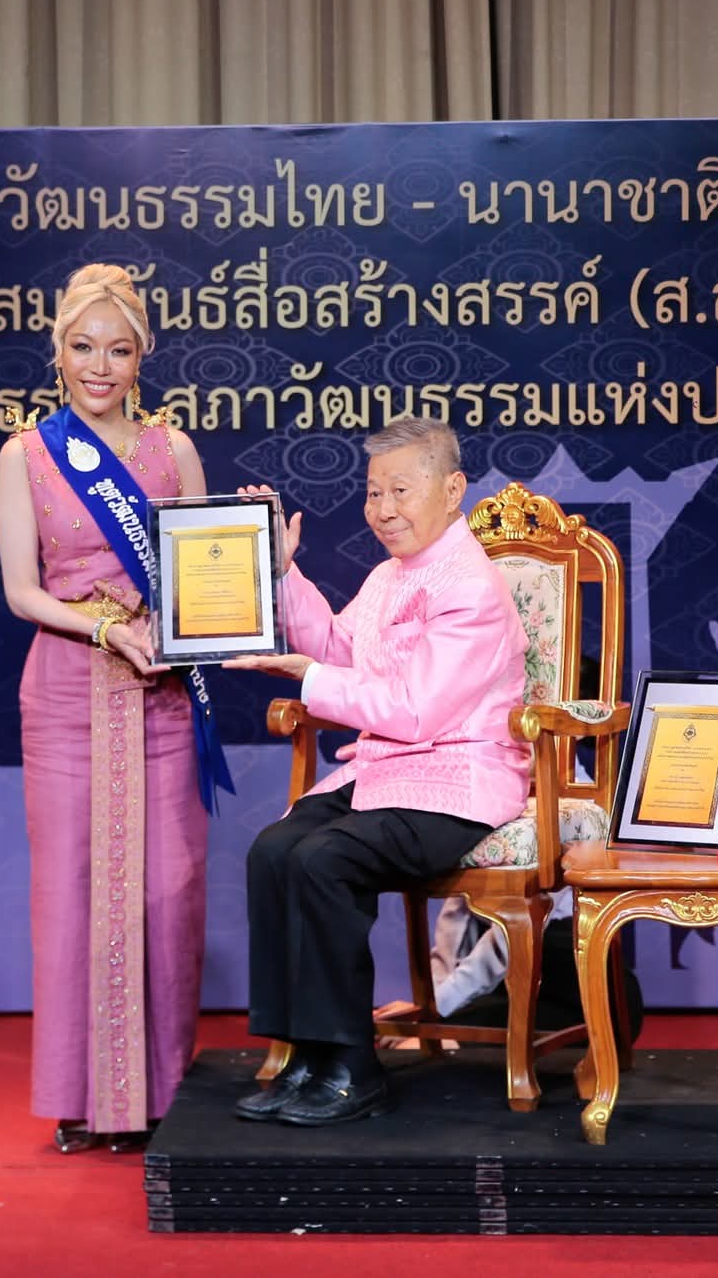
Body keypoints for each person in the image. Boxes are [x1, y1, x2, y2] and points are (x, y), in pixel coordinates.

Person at [222, 417, 529, 1126]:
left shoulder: (471, 586)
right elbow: (338, 649)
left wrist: (308, 679)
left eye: (400, 490)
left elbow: (415, 710)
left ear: (451, 489)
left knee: (322, 858)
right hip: (385, 774)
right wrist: (283, 572)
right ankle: (303, 1056)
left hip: (456, 785)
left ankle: (352, 1068)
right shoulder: (389, 576)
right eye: (372, 492)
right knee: (275, 848)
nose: (383, 508)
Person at [0, 263, 227, 1154]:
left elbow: (204, 579)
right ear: (57, 352)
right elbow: (22, 591)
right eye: (84, 347)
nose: (100, 366)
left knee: (169, 892)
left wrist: (246, 569)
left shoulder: (174, 451)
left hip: (158, 694)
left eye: (118, 350)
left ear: (142, 356)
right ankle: (81, 1100)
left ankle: (161, 1093)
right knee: (71, 894)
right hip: (66, 692)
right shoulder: (27, 454)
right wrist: (104, 627)